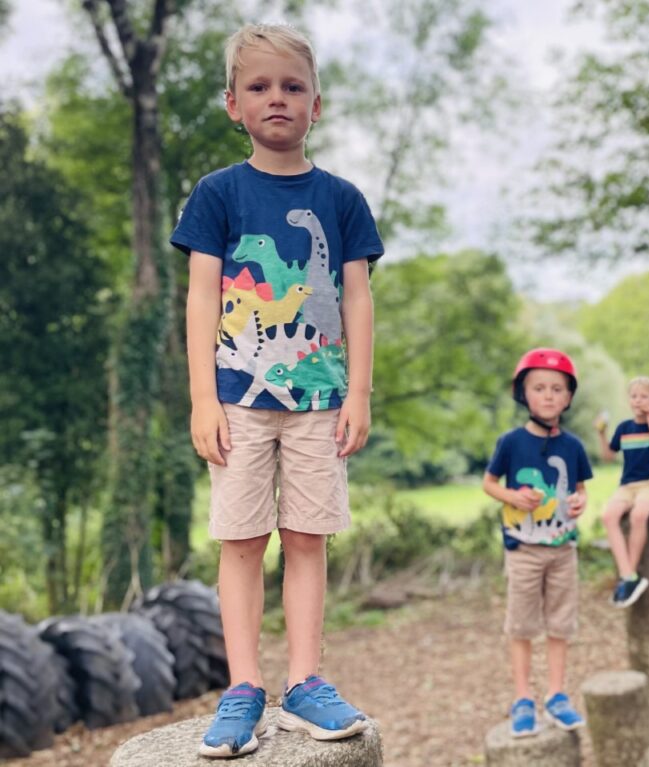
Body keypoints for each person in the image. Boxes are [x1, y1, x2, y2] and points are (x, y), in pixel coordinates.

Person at [170, 23, 384, 758]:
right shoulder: (218, 194)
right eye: (259, 86)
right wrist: (202, 396)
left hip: (319, 402)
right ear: (233, 103)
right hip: (237, 400)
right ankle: (242, 688)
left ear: (316, 104)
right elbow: (202, 297)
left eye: (292, 86)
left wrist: (358, 392)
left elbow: (355, 298)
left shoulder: (341, 198)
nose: (277, 98)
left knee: (306, 538)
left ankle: (303, 684)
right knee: (240, 540)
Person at [483, 349, 593, 738]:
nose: (548, 395)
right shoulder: (511, 443)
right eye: (539, 388)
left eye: (556, 389)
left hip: (563, 550)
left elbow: (579, 492)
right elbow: (489, 483)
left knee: (561, 625)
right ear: (523, 393)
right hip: (524, 550)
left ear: (567, 397)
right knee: (522, 626)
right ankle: (522, 699)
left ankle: (558, 695)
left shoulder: (574, 447)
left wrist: (580, 503)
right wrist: (512, 497)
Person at [595, 376, 649, 608]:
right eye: (634, 396)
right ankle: (628, 574)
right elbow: (608, 457)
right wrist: (601, 433)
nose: (638, 401)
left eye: (644, 396)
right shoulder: (624, 428)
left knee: (640, 515)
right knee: (608, 516)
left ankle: (628, 578)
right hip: (627, 485)